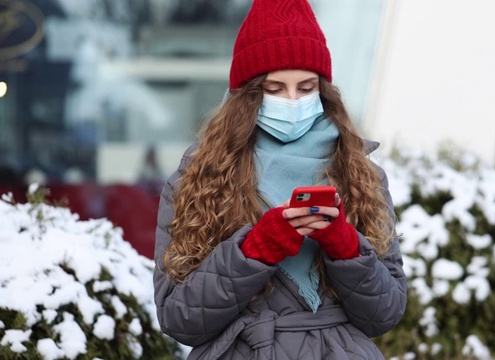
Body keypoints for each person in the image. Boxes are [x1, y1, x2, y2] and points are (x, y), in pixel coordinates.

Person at [153, 0, 407, 359]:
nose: (292, 101)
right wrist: (254, 251)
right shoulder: (197, 178)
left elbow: (385, 313)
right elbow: (179, 318)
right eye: (274, 89)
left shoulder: (361, 174)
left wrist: (345, 247)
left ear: (324, 90)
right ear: (247, 94)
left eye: (306, 88)